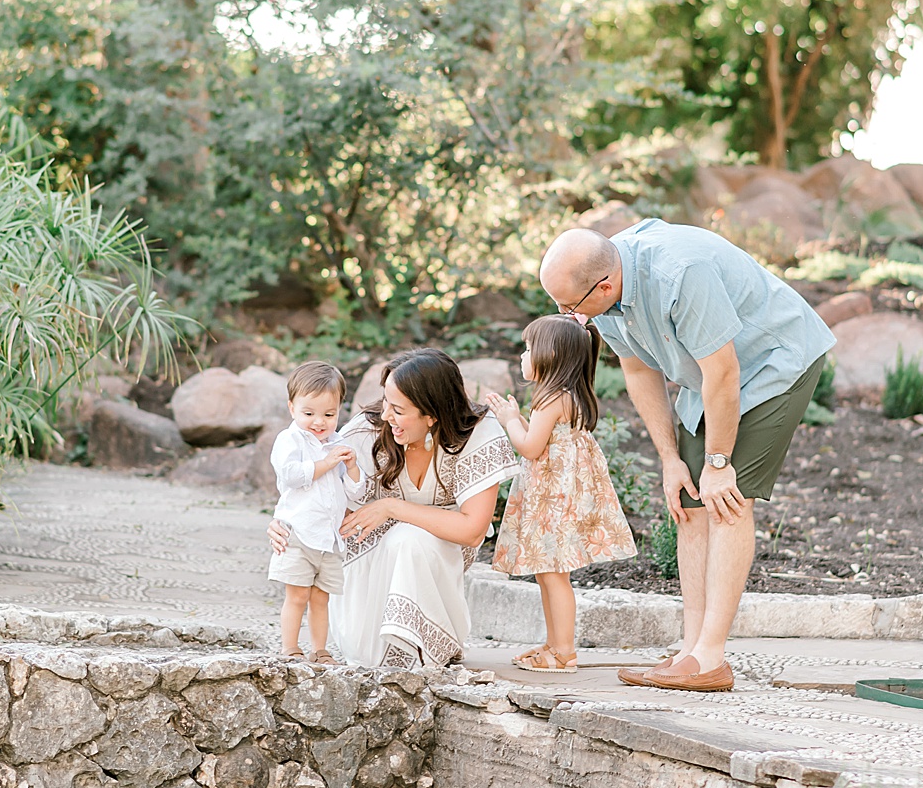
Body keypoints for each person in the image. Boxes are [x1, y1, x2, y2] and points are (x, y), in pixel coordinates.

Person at [540, 220, 832, 692]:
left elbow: (724, 373)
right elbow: (637, 370)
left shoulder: (681, 273)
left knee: (725, 500)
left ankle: (711, 660)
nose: (566, 316)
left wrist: (718, 464)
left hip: (774, 361)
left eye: (568, 307)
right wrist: (671, 459)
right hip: (711, 378)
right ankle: (690, 650)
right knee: (688, 505)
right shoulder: (604, 296)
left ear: (606, 284)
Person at [268, 348, 520, 668]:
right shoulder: (366, 432)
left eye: (398, 409)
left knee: (411, 539)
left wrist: (392, 507)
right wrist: (282, 520)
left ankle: (424, 643)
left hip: (441, 555)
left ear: (431, 415)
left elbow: (472, 531)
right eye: (386, 401)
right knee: (405, 540)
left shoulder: (478, 434)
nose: (386, 415)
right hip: (367, 555)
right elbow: (311, 488)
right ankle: (384, 645)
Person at [482, 314, 636, 673]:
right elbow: (540, 440)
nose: (522, 356)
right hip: (557, 495)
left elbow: (531, 448)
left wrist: (508, 420)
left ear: (549, 355)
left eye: (528, 348)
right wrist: (517, 417)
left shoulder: (551, 399)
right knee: (548, 572)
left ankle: (564, 651)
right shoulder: (565, 396)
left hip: (553, 499)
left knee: (553, 574)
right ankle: (553, 644)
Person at [269, 361, 363, 662]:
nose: (319, 422)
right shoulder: (290, 440)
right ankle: (290, 647)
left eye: (329, 414)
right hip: (298, 534)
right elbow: (292, 476)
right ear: (292, 407)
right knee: (297, 595)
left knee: (321, 598)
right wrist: (328, 463)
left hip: (329, 539)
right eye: (309, 413)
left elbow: (354, 492)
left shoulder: (338, 444)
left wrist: (351, 467)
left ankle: (320, 649)